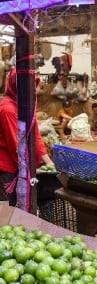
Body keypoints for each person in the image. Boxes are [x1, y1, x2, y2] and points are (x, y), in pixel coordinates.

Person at [1, 69, 54, 206]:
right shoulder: (8, 110)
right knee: (7, 206)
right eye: (29, 87)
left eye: (34, 86)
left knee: (18, 203)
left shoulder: (26, 107)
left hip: (18, 163)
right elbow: (16, 145)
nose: (33, 91)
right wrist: (31, 168)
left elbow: (35, 136)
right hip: (6, 166)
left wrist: (48, 162)